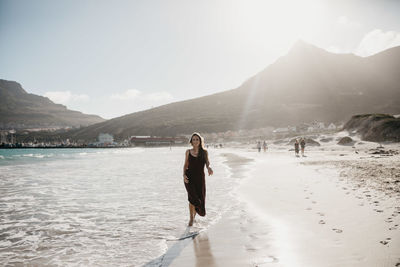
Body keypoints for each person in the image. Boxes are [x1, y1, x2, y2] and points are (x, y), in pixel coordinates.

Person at [183, 132, 213, 226]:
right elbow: (185, 165)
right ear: (191, 141)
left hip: (200, 179)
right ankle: (191, 218)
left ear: (200, 141)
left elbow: (208, 162)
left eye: (197, 139)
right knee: (192, 199)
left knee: (199, 200)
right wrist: (184, 175)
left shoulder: (204, 152)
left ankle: (194, 216)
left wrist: (209, 168)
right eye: (193, 139)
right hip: (189, 178)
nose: (195, 141)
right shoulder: (188, 151)